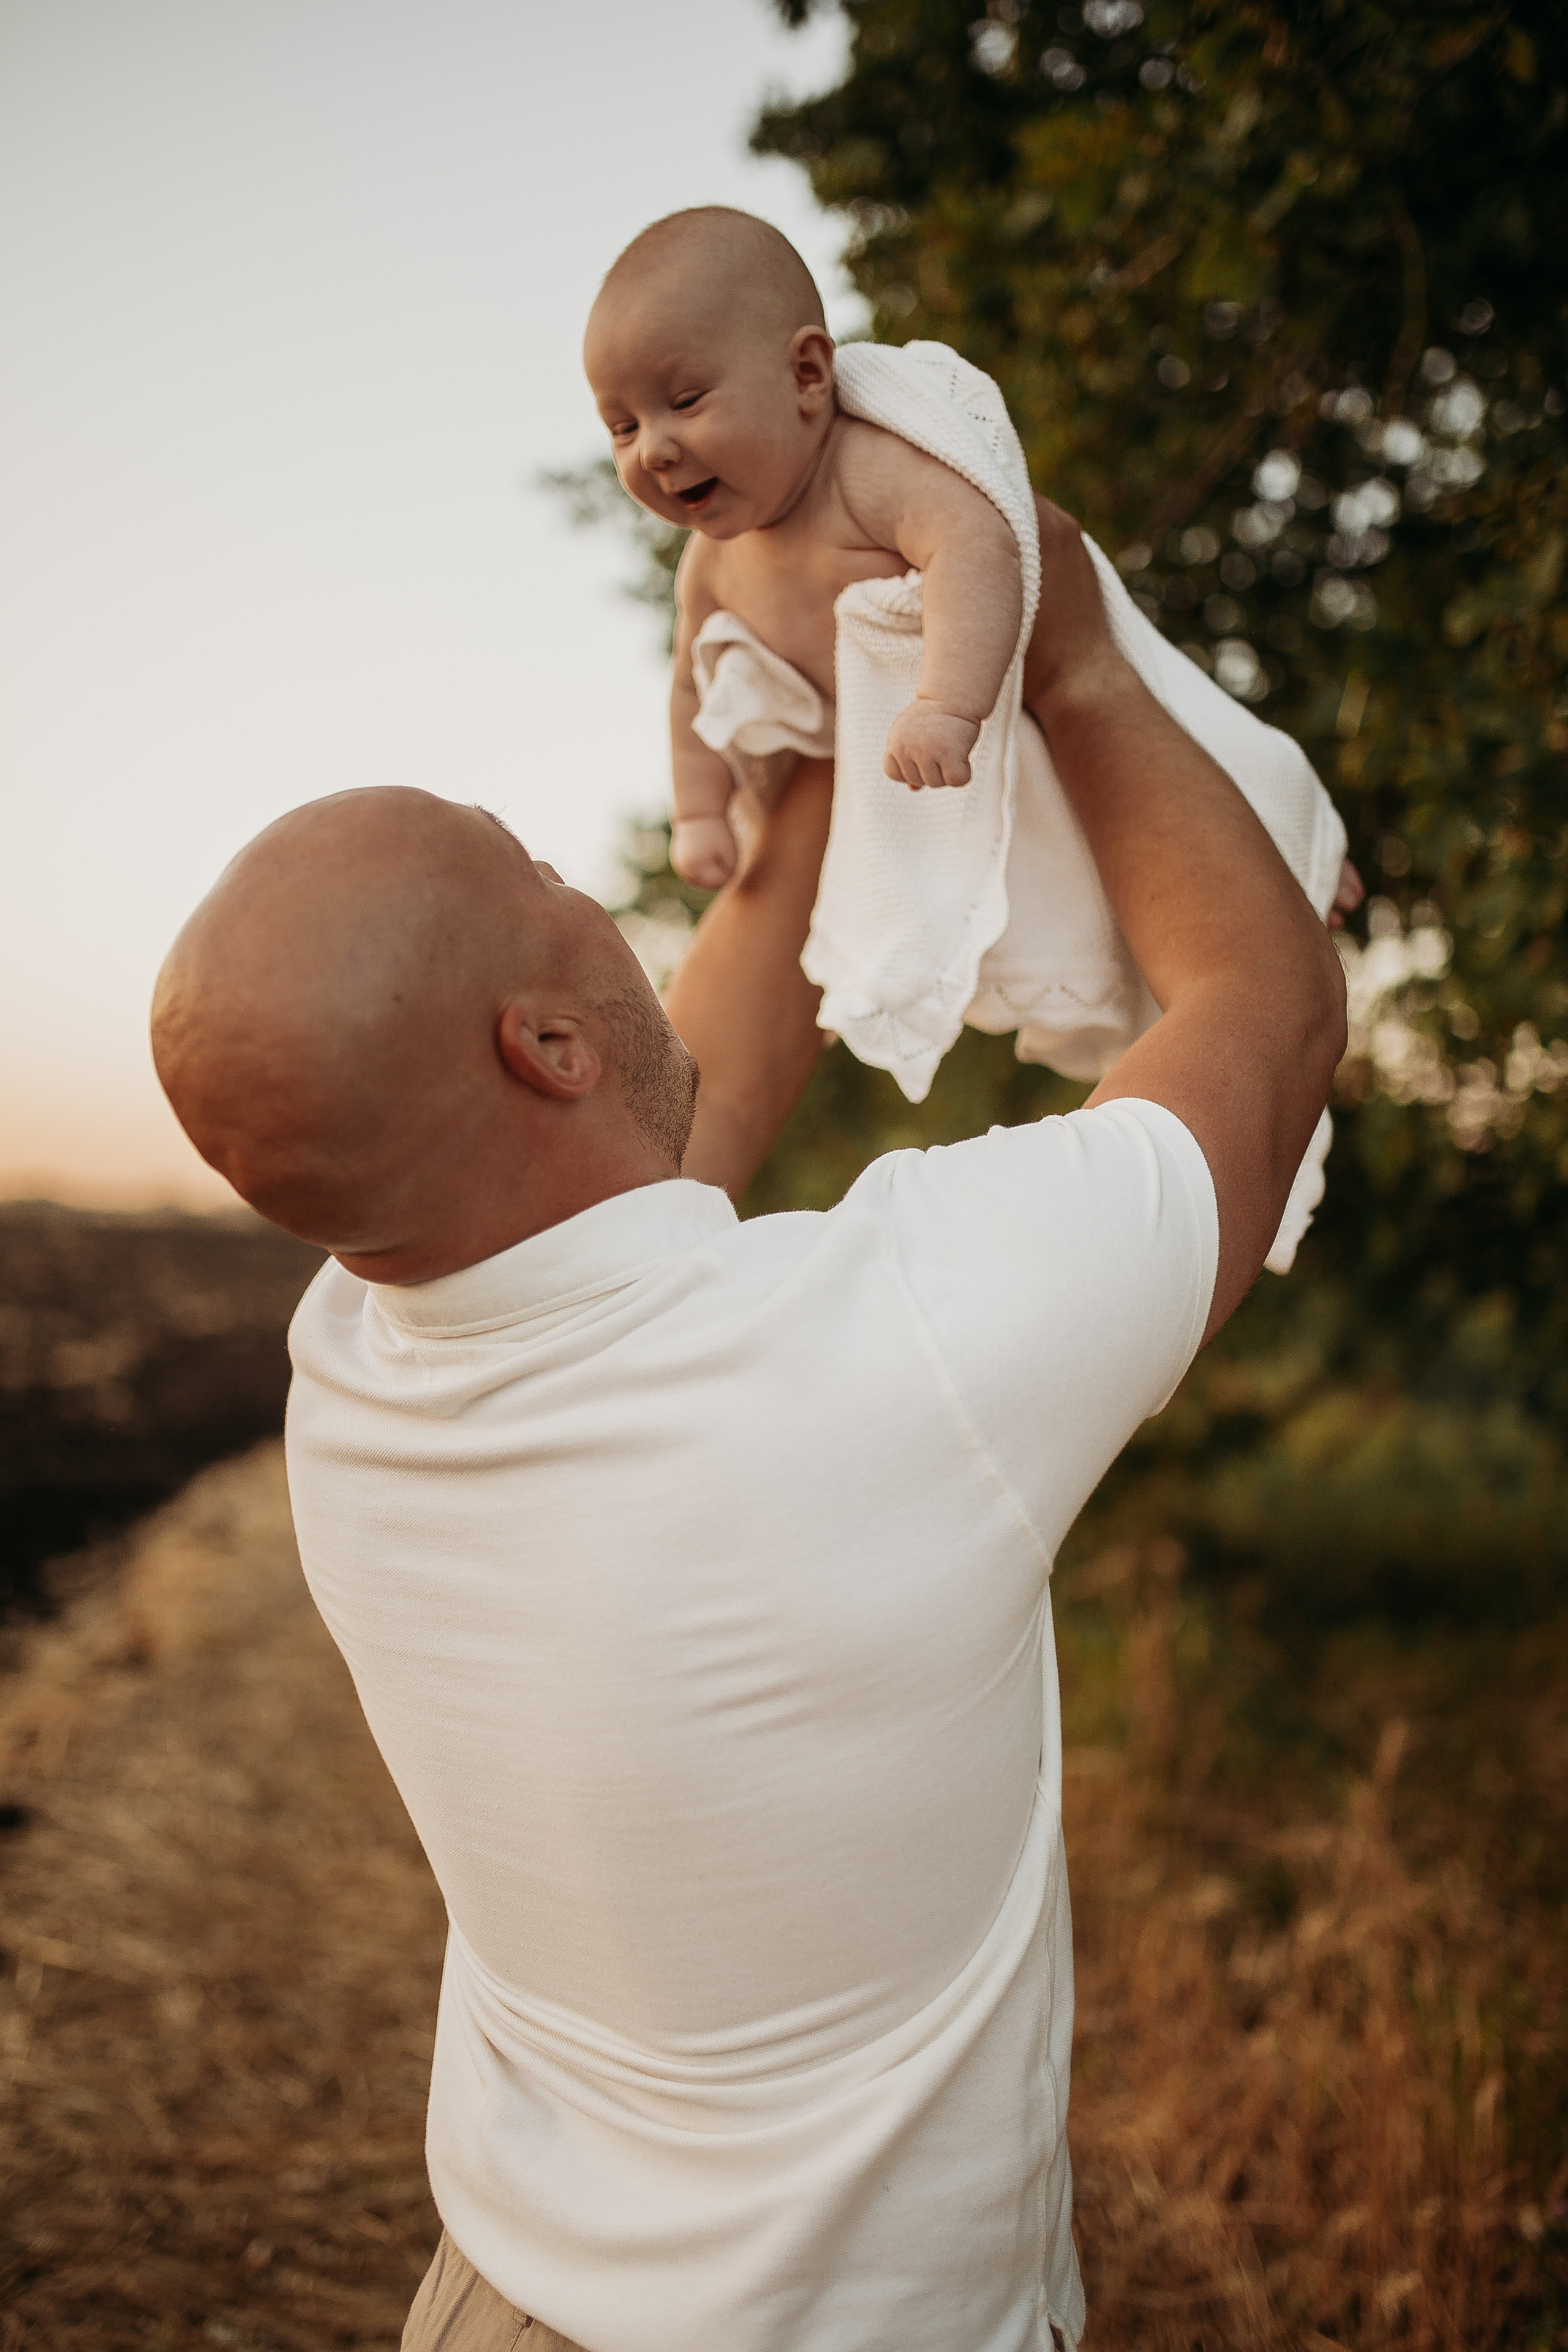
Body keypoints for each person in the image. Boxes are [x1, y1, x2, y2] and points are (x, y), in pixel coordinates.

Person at [150, 507, 1346, 2352]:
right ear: (545, 1044)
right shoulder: (891, 1357)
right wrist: (1066, 635)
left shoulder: (357, 1369)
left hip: (496, 2298)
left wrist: (813, 725)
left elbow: (639, 1141)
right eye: (542, 870)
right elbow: (1265, 1023)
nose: (599, 893)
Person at [584, 207, 1359, 1270]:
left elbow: (979, 547)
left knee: (1175, 748)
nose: (655, 449)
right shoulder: (713, 568)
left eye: (684, 401)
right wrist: (702, 810)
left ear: (811, 374)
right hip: (861, 763)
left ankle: (1289, 850)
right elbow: (693, 684)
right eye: (621, 427)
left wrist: (946, 702)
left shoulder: (865, 470)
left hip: (988, 709)